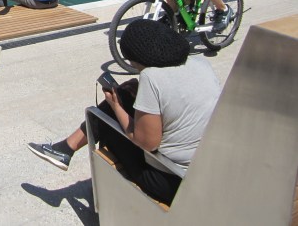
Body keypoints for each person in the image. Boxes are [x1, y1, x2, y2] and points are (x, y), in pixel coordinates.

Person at [27, 19, 220, 206]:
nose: (134, 67)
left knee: (103, 118)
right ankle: (65, 149)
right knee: (125, 96)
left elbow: (146, 143)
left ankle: (71, 155)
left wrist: (115, 106)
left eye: (132, 62)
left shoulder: (152, 78)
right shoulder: (200, 64)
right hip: (207, 168)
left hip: (171, 181)